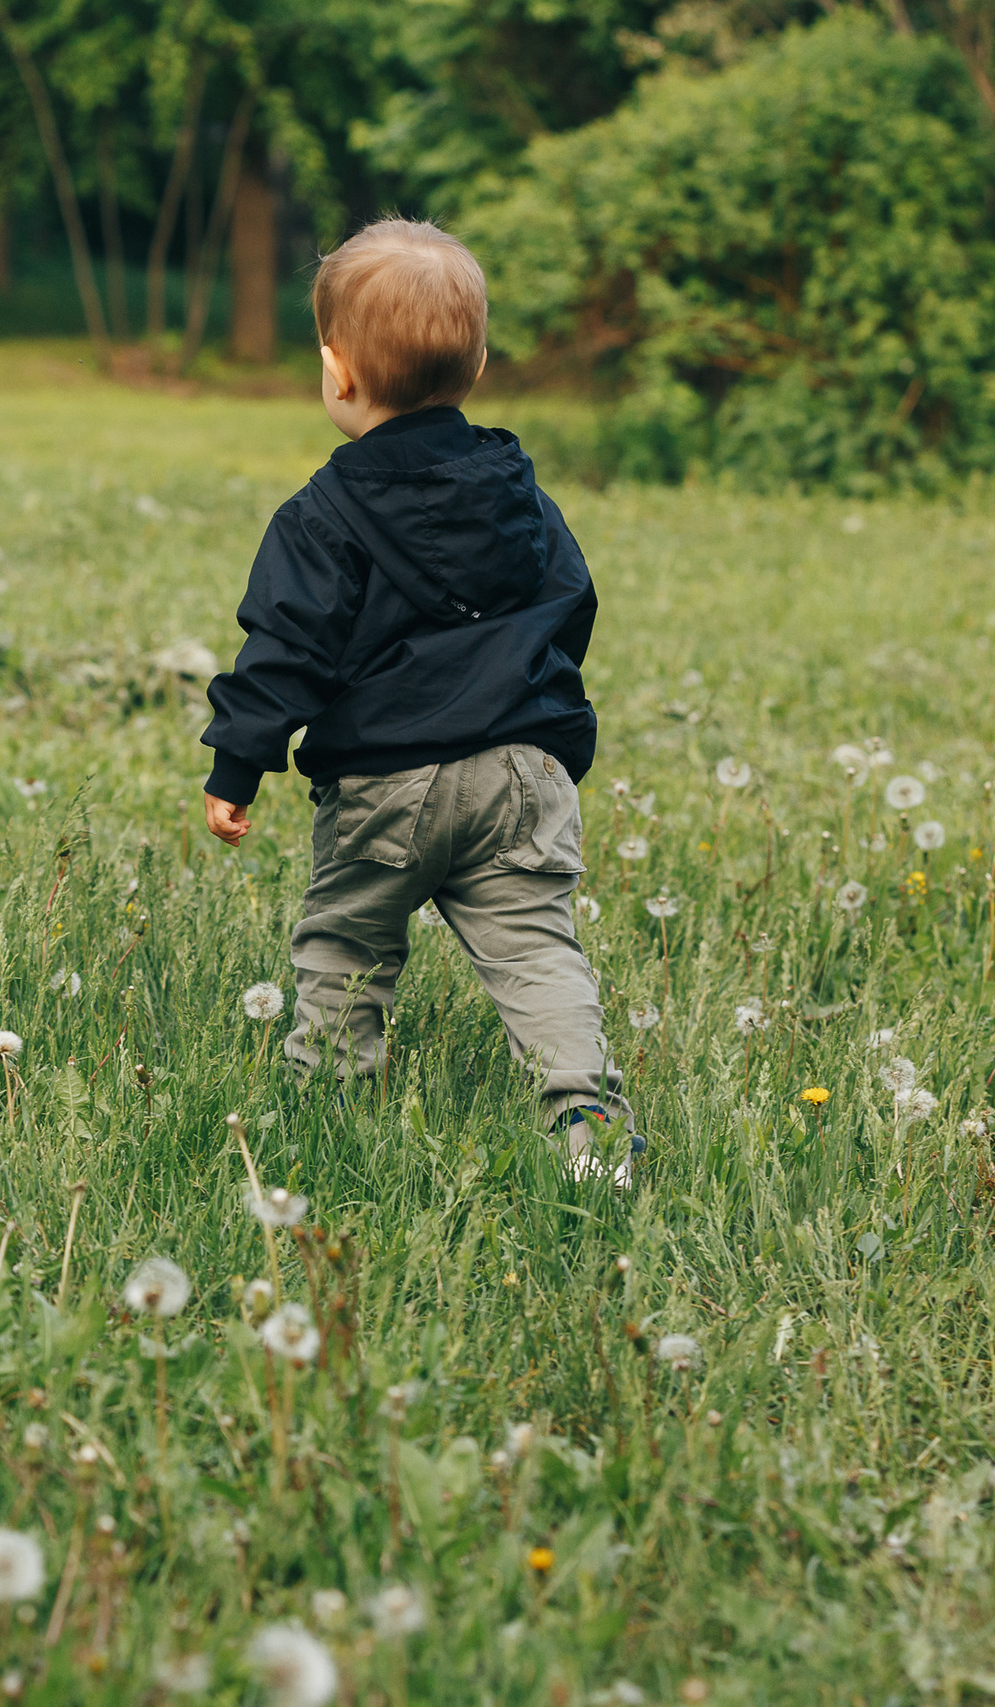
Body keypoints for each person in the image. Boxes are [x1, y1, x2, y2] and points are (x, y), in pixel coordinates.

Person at [197, 218, 635, 1184]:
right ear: (477, 367)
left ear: (336, 372)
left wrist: (239, 763)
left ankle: (327, 1121)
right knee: (536, 952)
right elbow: (572, 603)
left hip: (384, 781)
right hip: (520, 772)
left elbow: (286, 647)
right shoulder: (523, 494)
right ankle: (591, 1132)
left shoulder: (320, 512)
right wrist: (544, 727)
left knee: (347, 946)